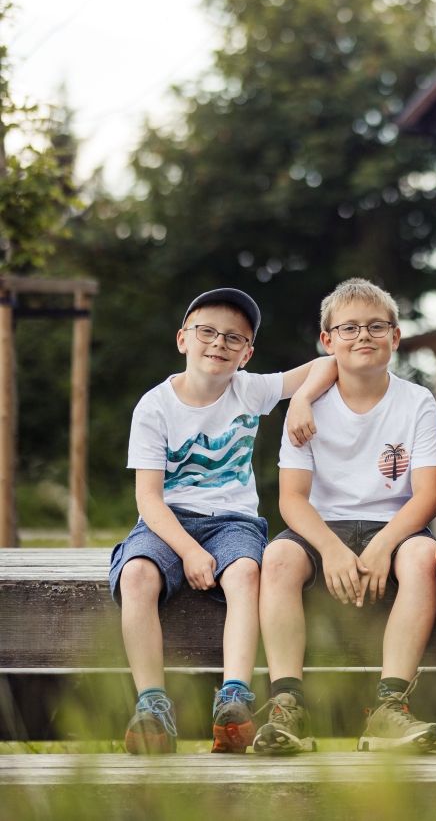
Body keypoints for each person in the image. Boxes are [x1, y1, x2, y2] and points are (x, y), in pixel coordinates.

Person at [111, 287, 335, 754]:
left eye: (234, 338)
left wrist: (300, 400)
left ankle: (233, 697)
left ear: (247, 353)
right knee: (135, 574)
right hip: (167, 521)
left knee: (246, 572)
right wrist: (190, 550)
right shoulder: (155, 406)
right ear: (182, 339)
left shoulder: (249, 389)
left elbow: (326, 364)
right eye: (207, 332)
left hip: (233, 520)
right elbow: (149, 499)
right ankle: (153, 705)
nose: (219, 343)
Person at [253, 278, 436, 755]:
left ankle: (389, 707)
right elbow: (292, 499)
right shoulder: (308, 407)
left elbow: (427, 497)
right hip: (323, 528)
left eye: (376, 326)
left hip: (395, 527)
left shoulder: (417, 401)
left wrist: (382, 546)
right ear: (328, 340)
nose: (363, 336)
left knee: (424, 556)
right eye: (349, 328)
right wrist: (332, 549)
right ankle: (286, 706)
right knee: (276, 558)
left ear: (395, 337)